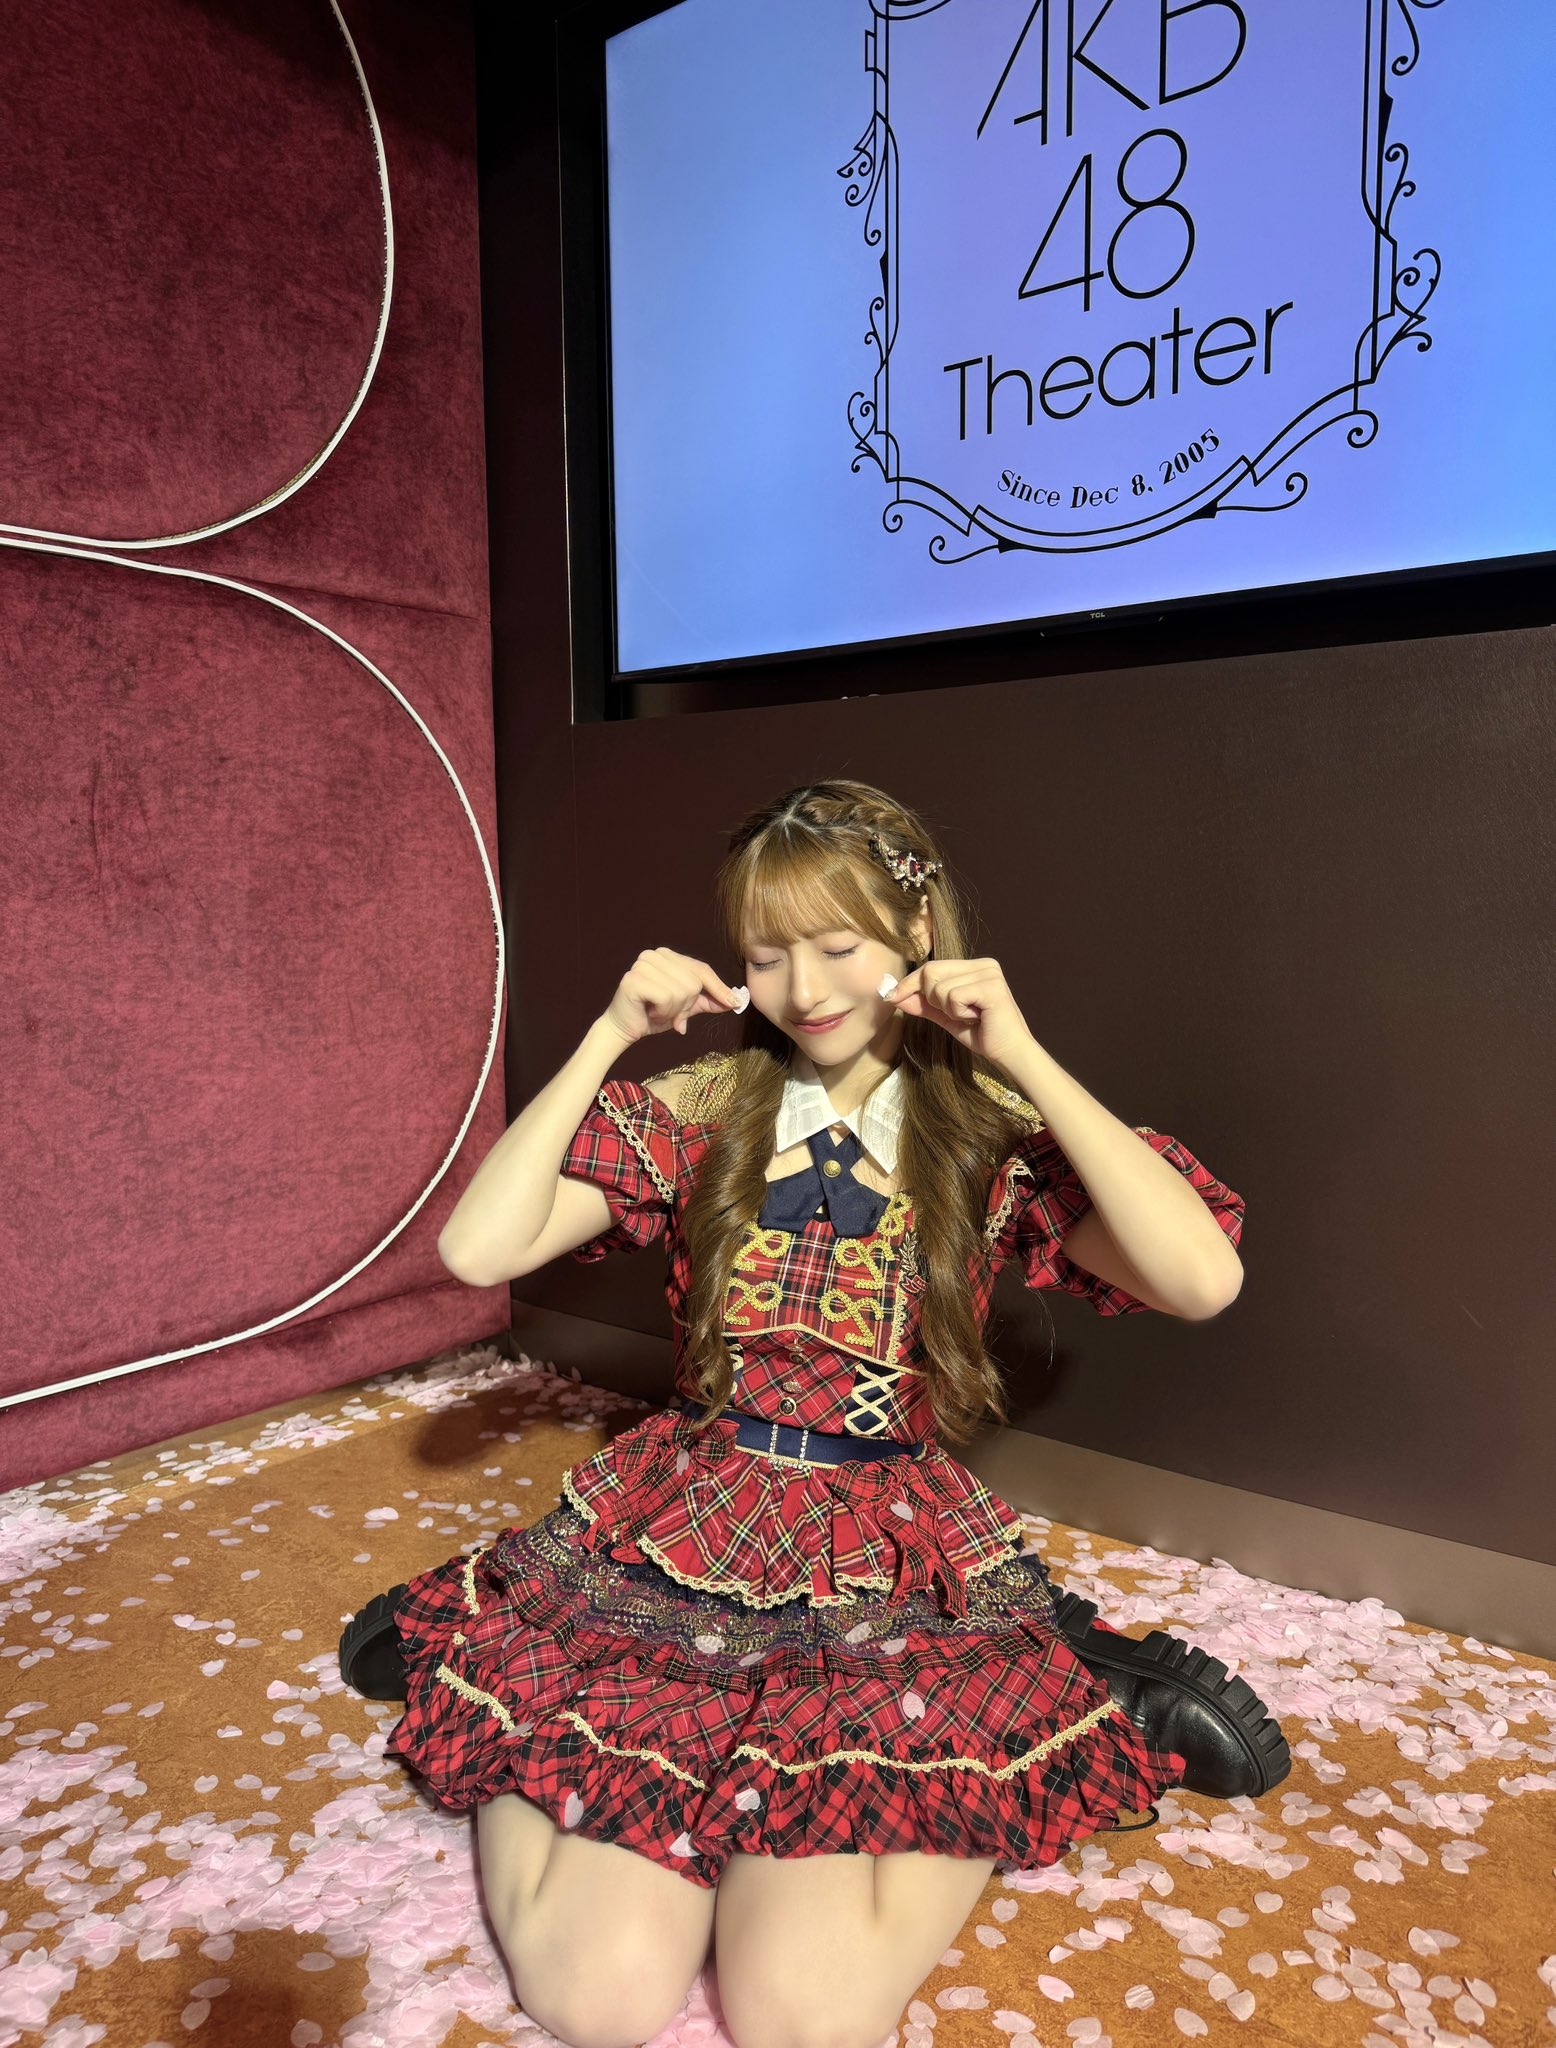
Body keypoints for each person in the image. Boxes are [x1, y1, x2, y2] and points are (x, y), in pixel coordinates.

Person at [343, 780, 1288, 2048]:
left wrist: (1019, 1054)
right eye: (765, 953)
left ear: (915, 936)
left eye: (837, 945)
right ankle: (509, 1653)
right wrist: (607, 1033)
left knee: (802, 2021)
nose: (802, 987)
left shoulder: (984, 1130)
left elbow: (1200, 1278)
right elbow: (478, 1248)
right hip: (686, 1525)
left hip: (880, 1554)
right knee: (592, 2001)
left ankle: (1061, 1673)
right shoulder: (705, 1105)